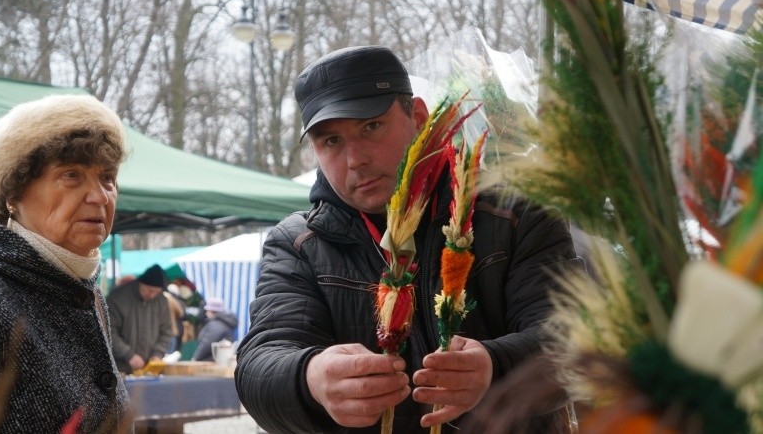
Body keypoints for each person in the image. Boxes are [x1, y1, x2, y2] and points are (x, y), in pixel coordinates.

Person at [235, 46, 582, 433]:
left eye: (371, 127)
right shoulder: (298, 244)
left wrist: (495, 366)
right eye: (331, 141)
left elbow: (575, 339)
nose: (355, 160)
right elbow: (258, 365)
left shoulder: (515, 217)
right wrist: (310, 377)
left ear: (417, 116)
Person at [0, 94, 131, 432]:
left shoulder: (85, 293)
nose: (99, 196)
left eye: (108, 178)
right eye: (71, 175)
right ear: (12, 193)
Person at [107, 264, 173, 373]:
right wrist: (128, 354)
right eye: (149, 290)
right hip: (120, 369)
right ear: (140, 283)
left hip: (149, 369)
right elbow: (109, 331)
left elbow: (166, 331)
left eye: (156, 292)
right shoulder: (117, 298)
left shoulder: (161, 301)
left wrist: (157, 354)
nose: (152, 295)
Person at [192, 297, 239, 361]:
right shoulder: (222, 323)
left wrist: (195, 359)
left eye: (207, 311)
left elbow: (206, 344)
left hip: (213, 362)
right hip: (220, 360)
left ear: (213, 311)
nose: (206, 313)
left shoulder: (216, 325)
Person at [164, 283, 187, 353]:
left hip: (164, 332)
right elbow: (182, 314)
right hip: (174, 331)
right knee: (172, 355)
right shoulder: (174, 301)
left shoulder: (163, 298)